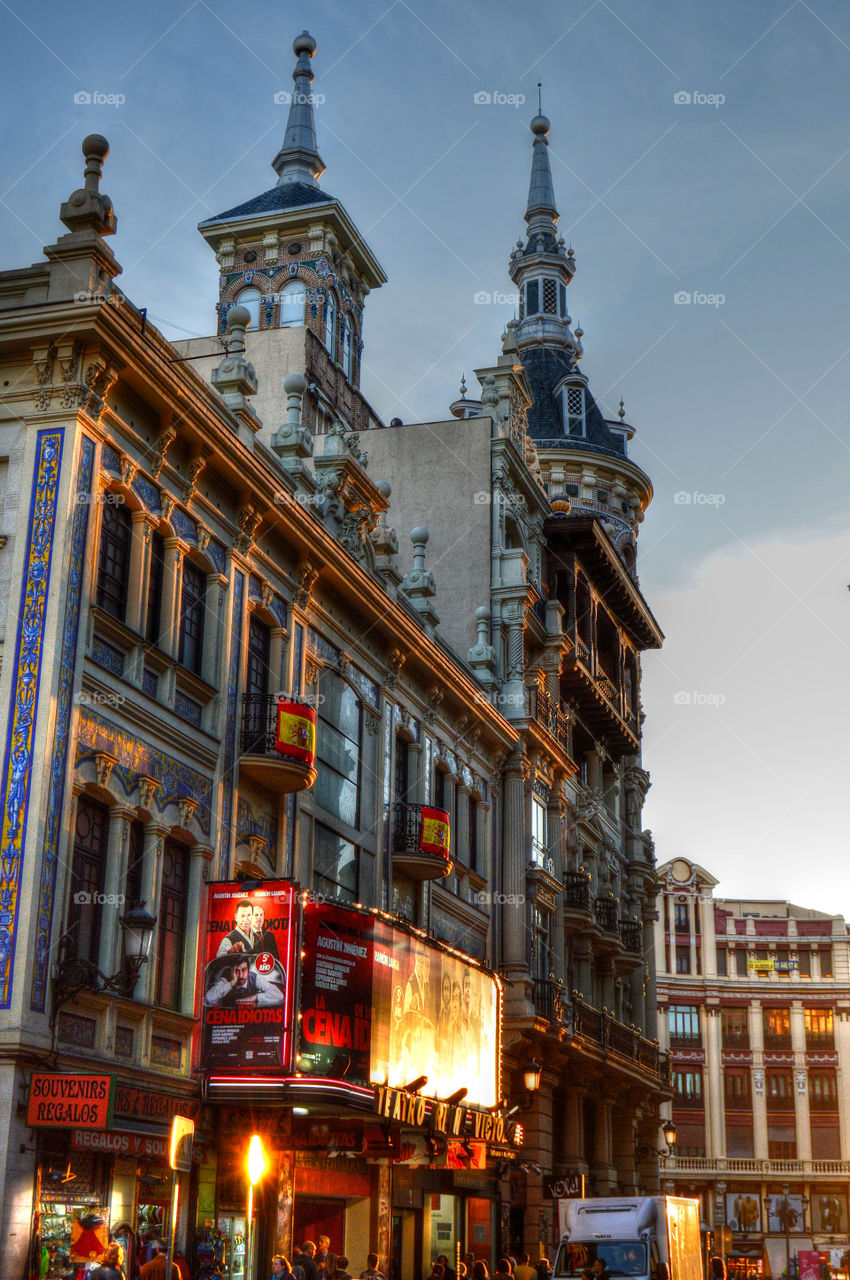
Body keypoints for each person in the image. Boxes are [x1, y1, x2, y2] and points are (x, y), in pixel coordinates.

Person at [204, 956, 284, 1007]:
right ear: (232, 971)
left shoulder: (255, 978)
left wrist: (254, 997)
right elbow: (210, 998)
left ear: (249, 971)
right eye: (237, 971)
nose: (241, 975)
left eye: (244, 970)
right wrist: (231, 984)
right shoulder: (227, 980)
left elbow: (279, 996)